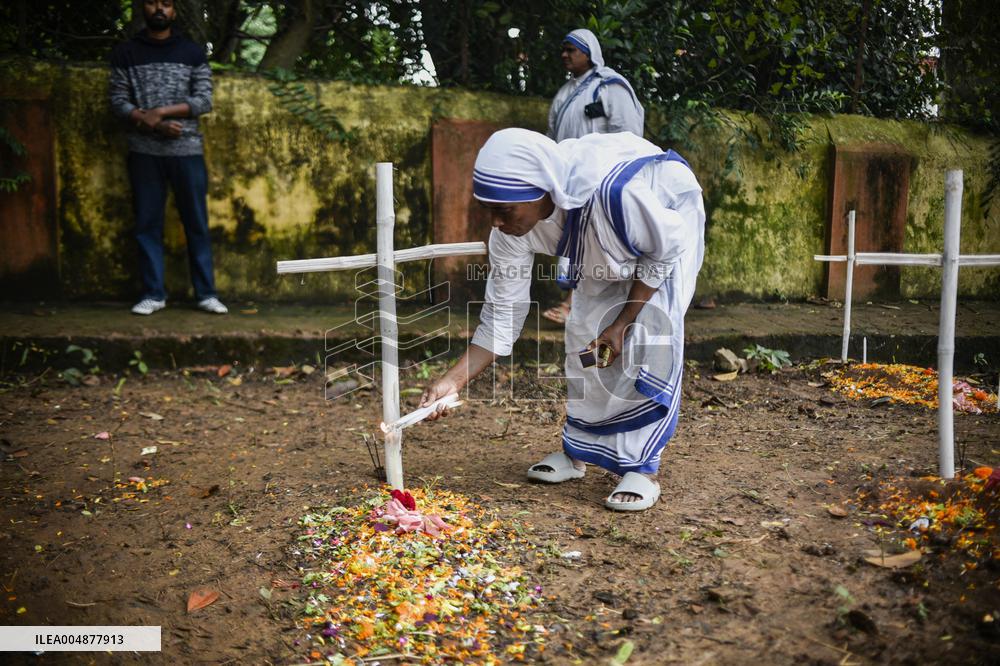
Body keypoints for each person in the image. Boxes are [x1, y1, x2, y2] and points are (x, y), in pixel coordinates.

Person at [420, 129, 705, 512]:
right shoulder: (508, 232)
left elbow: (664, 251)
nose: (496, 222)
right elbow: (502, 314)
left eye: (504, 210)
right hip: (609, 241)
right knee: (585, 340)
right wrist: (451, 382)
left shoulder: (614, 198)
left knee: (648, 336)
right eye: (488, 209)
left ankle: (643, 468)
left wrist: (621, 323)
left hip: (666, 224)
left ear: (544, 192)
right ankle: (577, 453)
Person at [109, 0, 227, 316]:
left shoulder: (192, 52)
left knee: (196, 224)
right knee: (147, 225)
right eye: (152, 2)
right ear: (142, 9)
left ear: (174, 11)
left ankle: (206, 294)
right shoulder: (126, 53)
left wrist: (161, 111)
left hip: (187, 152)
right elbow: (118, 100)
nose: (159, 9)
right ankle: (153, 294)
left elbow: (204, 100)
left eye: (166, 4)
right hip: (144, 153)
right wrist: (153, 124)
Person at [544, 28, 645, 325]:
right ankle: (579, 304)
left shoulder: (611, 87)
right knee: (573, 241)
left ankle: (573, 305)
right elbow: (552, 136)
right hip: (570, 180)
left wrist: (616, 176)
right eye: (563, 49)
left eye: (571, 49)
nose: (565, 54)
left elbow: (629, 136)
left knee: (593, 242)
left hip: (601, 179)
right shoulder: (564, 94)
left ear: (589, 53)